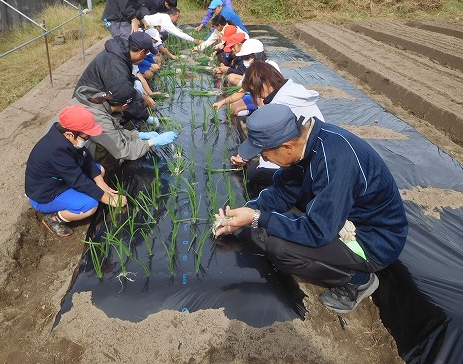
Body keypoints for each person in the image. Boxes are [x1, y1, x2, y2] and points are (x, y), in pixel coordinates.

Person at [214, 103, 408, 314]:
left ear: (286, 147)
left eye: (265, 154)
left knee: (281, 249)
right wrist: (246, 212)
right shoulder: (306, 144)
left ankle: (358, 281)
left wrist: (257, 218)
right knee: (275, 225)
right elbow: (283, 191)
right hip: (343, 219)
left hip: (372, 239)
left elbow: (318, 231)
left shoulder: (335, 160)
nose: (263, 159)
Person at [216, 62, 324, 193]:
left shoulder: (279, 105)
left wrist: (245, 157)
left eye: (256, 92)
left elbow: (271, 139)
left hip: (305, 158)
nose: (257, 96)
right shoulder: (292, 89)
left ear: (264, 84)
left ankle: (298, 190)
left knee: (255, 173)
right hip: (313, 149)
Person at [25, 105, 128, 238]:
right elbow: (78, 181)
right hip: (45, 195)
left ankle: (92, 188)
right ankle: (54, 218)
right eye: (85, 137)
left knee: (99, 171)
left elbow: (86, 159)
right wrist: (109, 199)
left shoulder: (65, 138)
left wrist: (101, 183)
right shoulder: (56, 152)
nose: (86, 140)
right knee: (90, 205)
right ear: (69, 134)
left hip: (60, 181)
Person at [71, 86, 178, 174]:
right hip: (73, 153)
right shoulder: (99, 118)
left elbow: (114, 130)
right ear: (125, 105)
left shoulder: (100, 101)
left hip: (73, 142)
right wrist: (151, 142)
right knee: (106, 152)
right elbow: (122, 150)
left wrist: (138, 135)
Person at [74, 31, 159, 126]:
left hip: (95, 94)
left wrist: (136, 81)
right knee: (125, 110)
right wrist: (145, 115)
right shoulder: (115, 62)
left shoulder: (121, 53)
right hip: (87, 103)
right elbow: (123, 94)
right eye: (145, 54)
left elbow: (126, 77)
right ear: (142, 52)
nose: (143, 58)